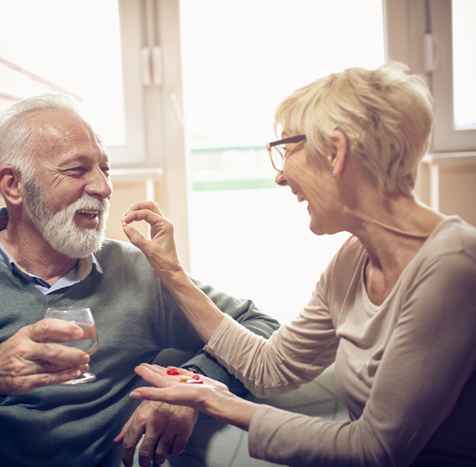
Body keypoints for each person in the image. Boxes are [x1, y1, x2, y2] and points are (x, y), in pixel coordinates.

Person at [0, 95, 280, 467]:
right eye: (77, 170)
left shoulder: (136, 270)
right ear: (13, 186)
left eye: (104, 169)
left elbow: (261, 332)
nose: (104, 188)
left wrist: (187, 387)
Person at [122, 62, 476, 467]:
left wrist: (216, 401)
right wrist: (170, 270)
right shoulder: (353, 257)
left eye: (287, 150)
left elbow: (376, 449)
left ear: (336, 151)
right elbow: (269, 367)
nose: (280, 177)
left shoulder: (454, 266)